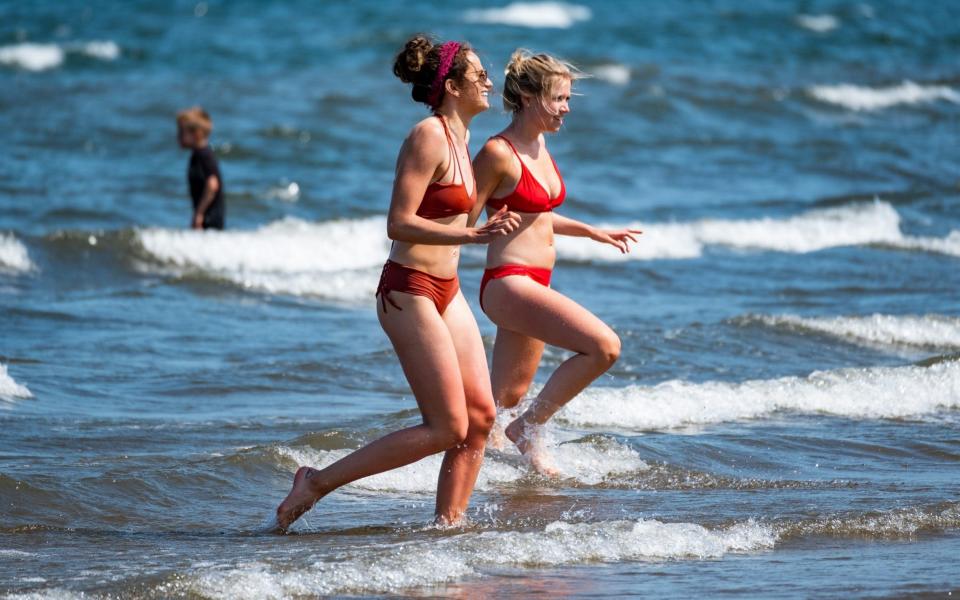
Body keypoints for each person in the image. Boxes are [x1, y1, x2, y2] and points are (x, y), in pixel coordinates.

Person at [274, 36, 519, 531]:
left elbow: (452, 217)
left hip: (446, 290)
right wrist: (472, 234)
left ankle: (449, 527)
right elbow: (398, 221)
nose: (489, 81)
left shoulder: (463, 138)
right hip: (408, 289)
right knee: (446, 426)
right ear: (452, 86)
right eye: (478, 75)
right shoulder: (426, 136)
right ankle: (316, 482)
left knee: (480, 419)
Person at [470, 50, 641, 475]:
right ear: (528, 97)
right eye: (559, 99)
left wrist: (592, 231)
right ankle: (529, 430)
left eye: (568, 99)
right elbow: (463, 217)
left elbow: (537, 214)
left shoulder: (540, 145)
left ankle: (473, 477)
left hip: (536, 281)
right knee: (604, 347)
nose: (567, 108)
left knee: (503, 401)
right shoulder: (497, 152)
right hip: (508, 282)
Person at [176, 106, 225, 230]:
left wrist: (199, 214)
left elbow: (212, 184)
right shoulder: (198, 154)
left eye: (182, 132)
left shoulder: (204, 155)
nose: (178, 136)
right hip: (209, 216)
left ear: (197, 134)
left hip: (210, 217)